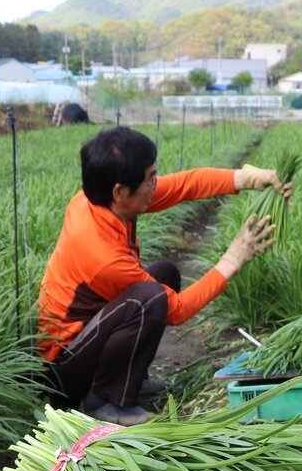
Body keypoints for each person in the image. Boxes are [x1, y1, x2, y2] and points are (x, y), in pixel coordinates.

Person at [38, 126, 288, 425]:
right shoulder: (101, 254)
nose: (155, 184)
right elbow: (177, 310)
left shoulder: (102, 199)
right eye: (149, 178)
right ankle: (100, 400)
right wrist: (233, 259)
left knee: (163, 274)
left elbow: (185, 185)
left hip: (89, 336)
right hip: (64, 367)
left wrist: (246, 178)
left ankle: (127, 381)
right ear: (120, 191)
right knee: (150, 297)